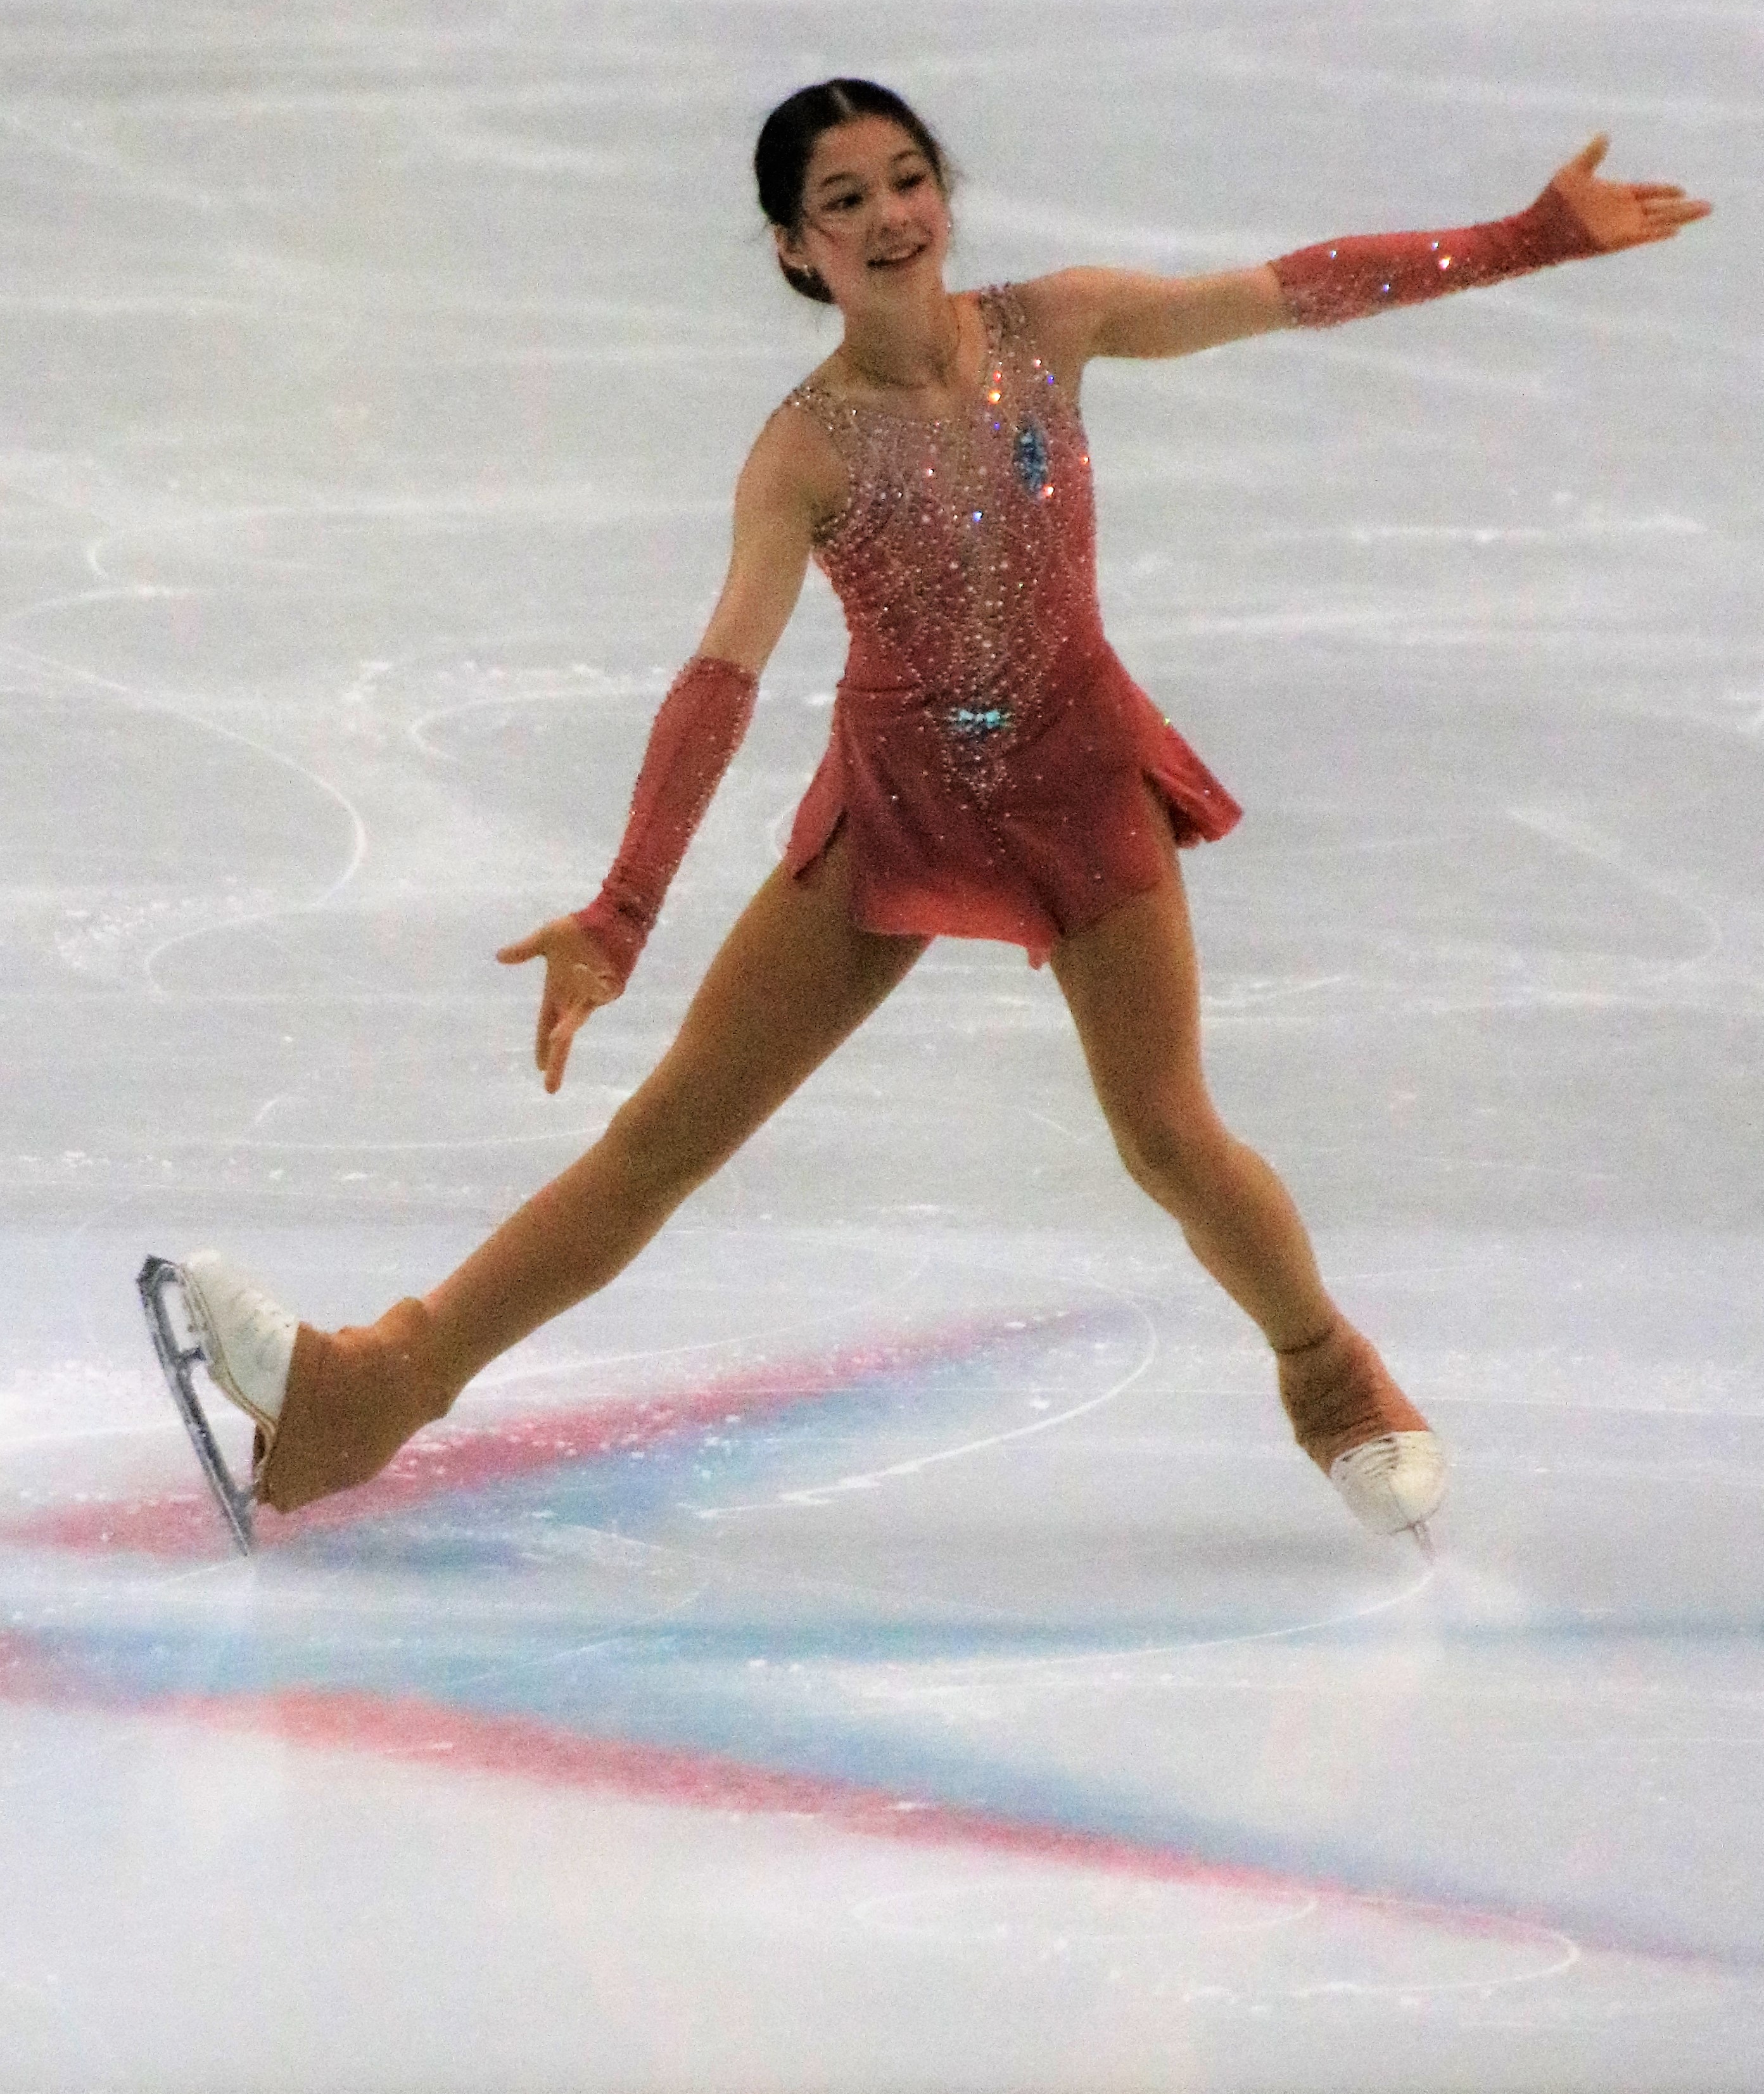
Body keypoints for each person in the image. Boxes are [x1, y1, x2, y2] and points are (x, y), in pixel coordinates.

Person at [150, 80, 1710, 1549]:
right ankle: (367, 1396)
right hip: (897, 804)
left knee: (1168, 1135)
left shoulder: (1054, 326)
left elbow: (1287, 291)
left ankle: (1333, 1381)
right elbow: (721, 678)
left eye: (907, 180)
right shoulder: (803, 450)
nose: (890, 215)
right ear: (795, 246)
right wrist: (622, 911)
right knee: (663, 1140)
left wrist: (1524, 239)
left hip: (1078, 781)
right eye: (844, 199)